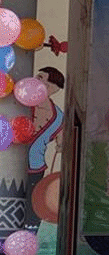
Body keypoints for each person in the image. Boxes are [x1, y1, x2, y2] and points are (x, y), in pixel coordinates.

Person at [24, 66, 64, 230]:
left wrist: (61, 145)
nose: (40, 83)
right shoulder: (22, 102)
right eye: (39, 77)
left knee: (33, 203)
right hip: (9, 161)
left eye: (46, 82)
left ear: (54, 89)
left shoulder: (58, 116)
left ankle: (29, 234)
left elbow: (62, 142)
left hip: (35, 166)